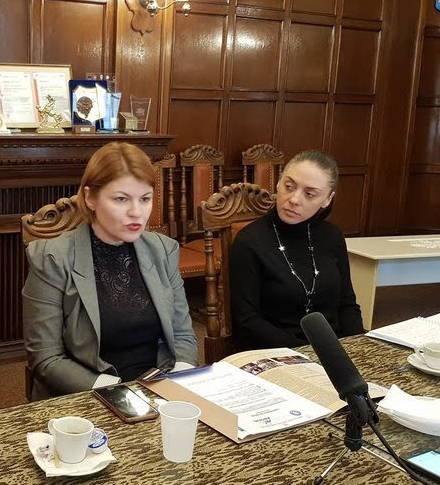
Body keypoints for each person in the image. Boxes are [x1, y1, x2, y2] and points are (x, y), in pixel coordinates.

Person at [22, 142, 198, 401]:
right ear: (90, 198)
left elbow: (182, 335)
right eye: (121, 199)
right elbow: (47, 359)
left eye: (145, 199)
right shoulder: (52, 258)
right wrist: (119, 392)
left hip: (158, 388)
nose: (136, 212)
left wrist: (179, 379)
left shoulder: (163, 250)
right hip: (87, 394)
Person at [229, 150, 364, 348]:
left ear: (327, 199)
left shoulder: (332, 236)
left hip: (332, 348)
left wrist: (359, 346)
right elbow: (247, 321)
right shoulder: (249, 241)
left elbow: (347, 303)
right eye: (289, 186)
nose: (294, 199)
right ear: (278, 183)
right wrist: (307, 353)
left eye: (309, 194)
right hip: (275, 351)